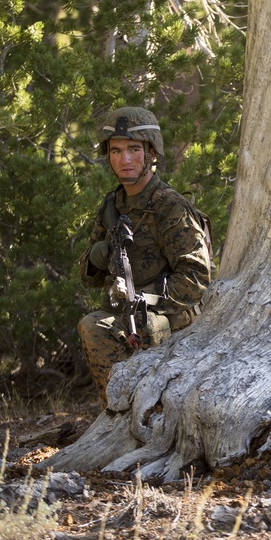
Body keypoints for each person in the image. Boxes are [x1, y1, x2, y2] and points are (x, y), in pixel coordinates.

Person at [78, 107, 212, 404]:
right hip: (128, 314)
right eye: (116, 151)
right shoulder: (114, 204)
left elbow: (195, 279)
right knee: (94, 324)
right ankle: (117, 412)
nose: (124, 159)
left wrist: (144, 299)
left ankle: (135, 410)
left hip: (173, 318)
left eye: (134, 150)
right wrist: (97, 257)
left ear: (151, 153)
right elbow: (89, 278)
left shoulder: (169, 206)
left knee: (120, 327)